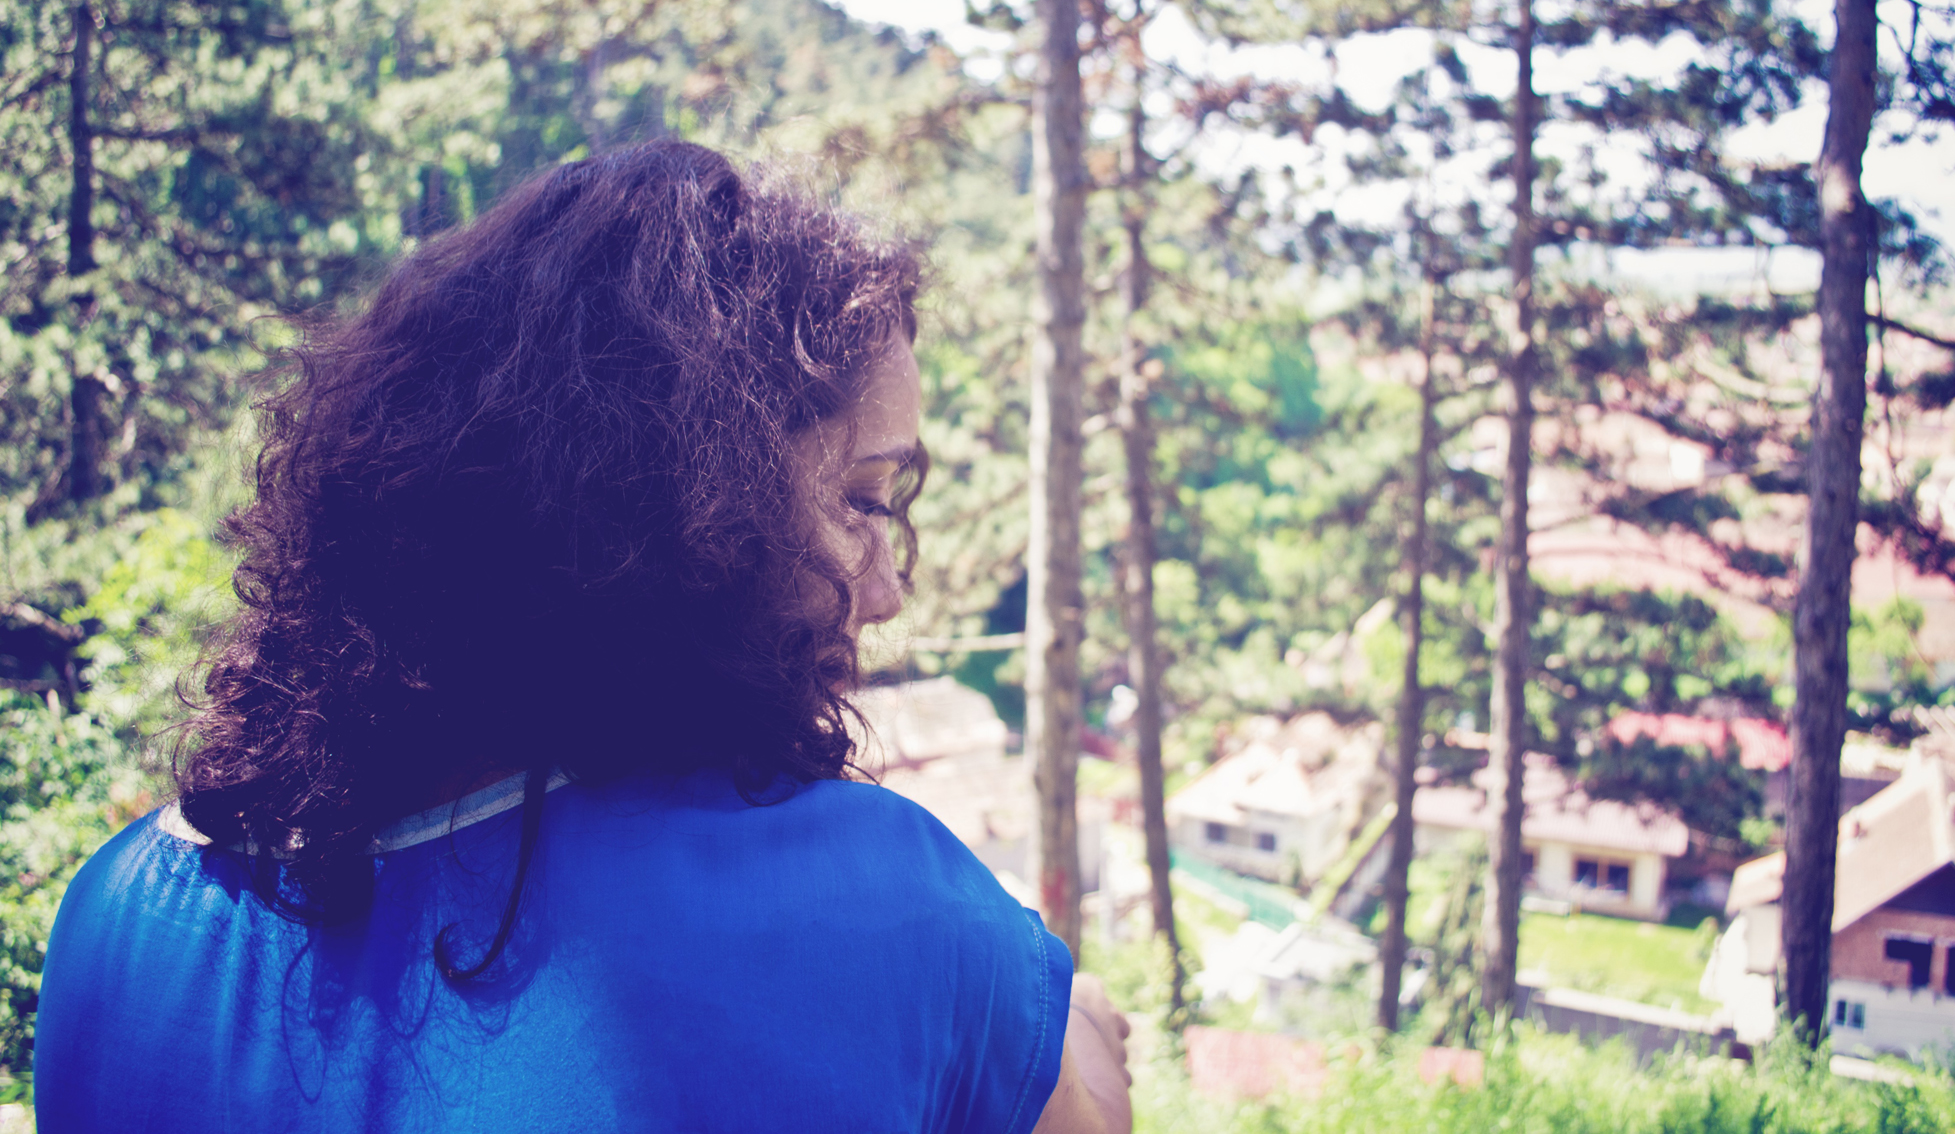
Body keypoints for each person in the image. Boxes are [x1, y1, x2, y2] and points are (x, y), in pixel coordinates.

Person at [34, 141, 1132, 1132]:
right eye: (862, 498)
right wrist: (1069, 1028)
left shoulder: (115, 916)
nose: (887, 591)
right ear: (689, 510)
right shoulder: (895, 913)